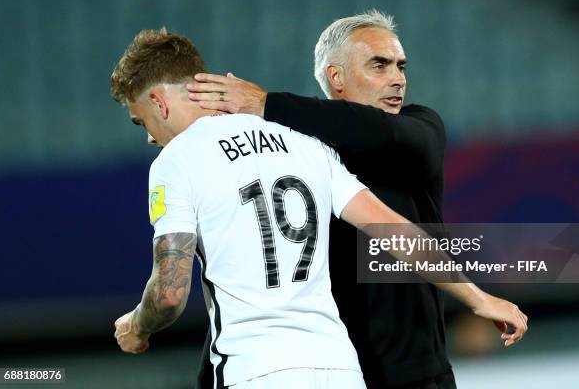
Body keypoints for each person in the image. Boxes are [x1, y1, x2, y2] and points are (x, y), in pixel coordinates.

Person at [112, 27, 527, 389]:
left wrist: (137, 325)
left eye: (140, 120)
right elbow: (394, 229)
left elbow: (169, 294)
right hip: (340, 367)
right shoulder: (303, 143)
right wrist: (477, 297)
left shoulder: (177, 160)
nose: (149, 136)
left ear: (158, 103)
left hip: (254, 369)